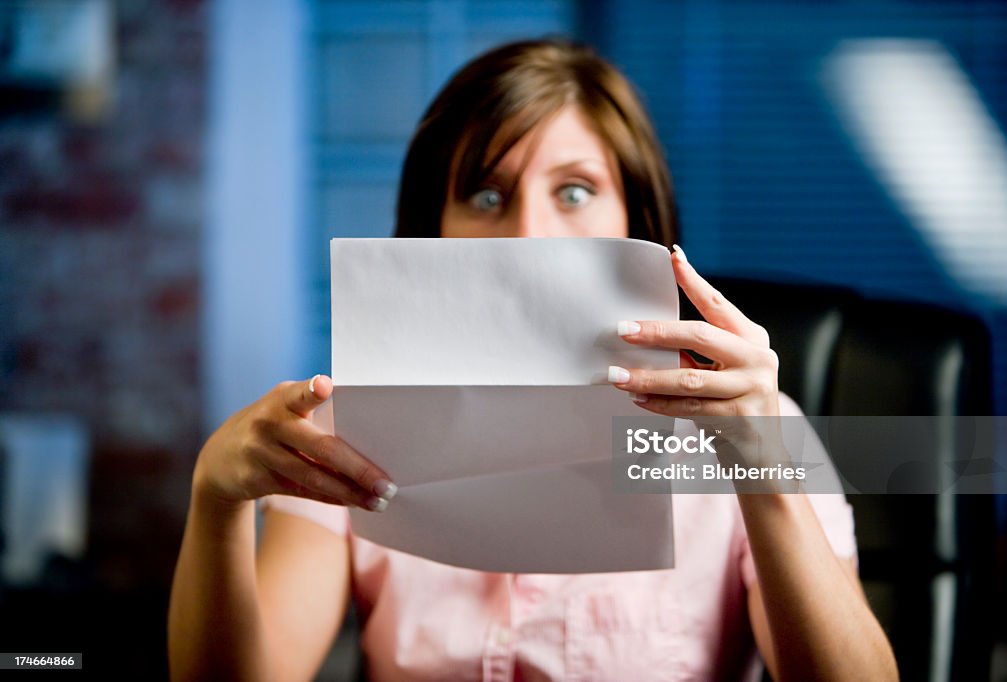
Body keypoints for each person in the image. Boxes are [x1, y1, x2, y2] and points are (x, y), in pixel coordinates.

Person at [168, 39, 897, 681]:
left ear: (634, 225)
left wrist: (761, 463)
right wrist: (216, 500)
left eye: (575, 191)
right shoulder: (347, 427)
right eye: (486, 194)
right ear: (435, 233)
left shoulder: (758, 427)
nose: (529, 233)